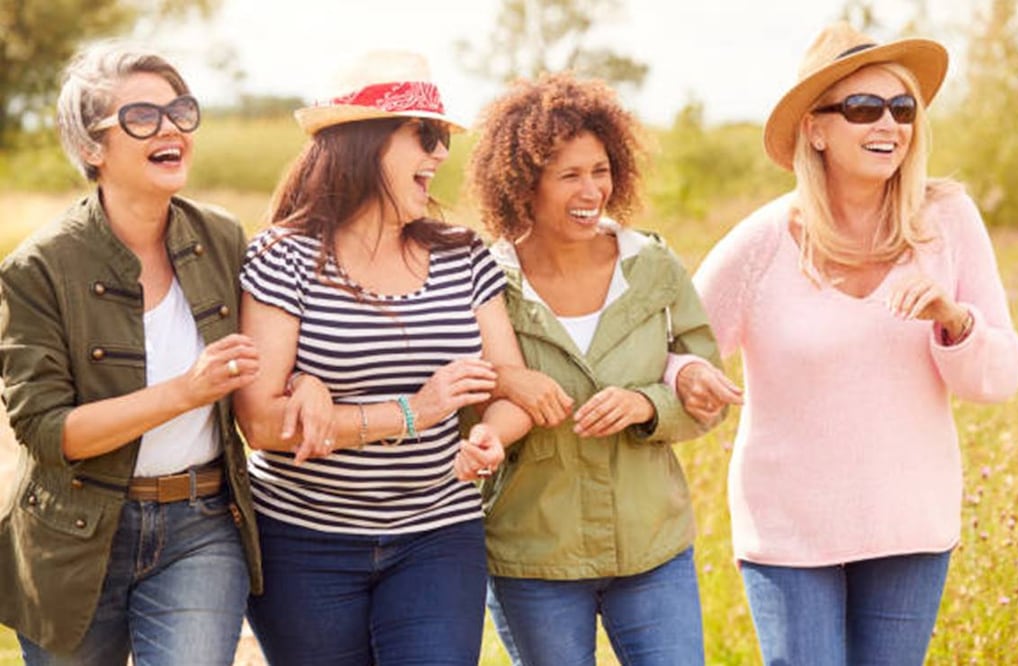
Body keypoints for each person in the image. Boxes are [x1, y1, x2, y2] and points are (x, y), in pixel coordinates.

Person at [673, 22, 1018, 664]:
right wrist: (685, 379)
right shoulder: (762, 242)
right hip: (788, 536)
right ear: (816, 129)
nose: (887, 124)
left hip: (909, 528)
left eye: (902, 108)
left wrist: (956, 321)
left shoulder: (947, 221)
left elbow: (1000, 378)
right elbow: (675, 346)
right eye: (863, 108)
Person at [234, 51, 532, 665]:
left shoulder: (464, 256)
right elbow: (263, 425)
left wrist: (493, 439)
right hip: (302, 541)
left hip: (437, 532)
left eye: (442, 136)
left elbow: (508, 389)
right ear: (365, 144)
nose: (441, 154)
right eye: (424, 135)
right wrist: (412, 413)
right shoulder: (284, 256)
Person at [0, 43, 262, 665]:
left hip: (201, 525)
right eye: (142, 117)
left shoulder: (221, 238)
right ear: (92, 147)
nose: (170, 127)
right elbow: (46, 431)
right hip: (74, 534)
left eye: (180, 111)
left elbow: (271, 355)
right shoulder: (37, 269)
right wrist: (184, 393)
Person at [467, 72, 725, 666]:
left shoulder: (653, 265)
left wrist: (649, 405)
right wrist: (503, 399)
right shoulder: (484, 282)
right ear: (524, 185)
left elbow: (704, 388)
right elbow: (466, 404)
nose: (593, 190)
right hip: (536, 557)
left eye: (601, 170)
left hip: (653, 549)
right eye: (571, 175)